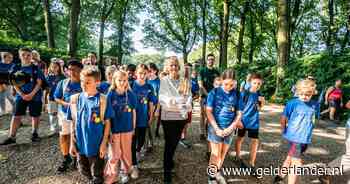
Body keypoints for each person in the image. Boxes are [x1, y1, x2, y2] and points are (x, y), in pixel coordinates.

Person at [68, 66, 112, 184]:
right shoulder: (74, 99)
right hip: (80, 144)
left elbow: (107, 123)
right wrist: (72, 143)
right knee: (83, 169)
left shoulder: (103, 100)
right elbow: (72, 122)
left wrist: (104, 144)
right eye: (82, 81)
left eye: (88, 82)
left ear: (97, 82)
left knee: (97, 174)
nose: (84, 84)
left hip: (97, 145)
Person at [274, 79, 320, 184]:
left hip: (305, 138)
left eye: (307, 94)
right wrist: (283, 129)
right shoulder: (292, 103)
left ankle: (280, 176)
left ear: (312, 93)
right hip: (295, 137)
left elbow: (313, 119)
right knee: (297, 163)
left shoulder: (315, 105)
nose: (304, 96)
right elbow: (284, 118)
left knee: (290, 156)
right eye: (301, 94)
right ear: (298, 92)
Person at [0, 48, 45, 145]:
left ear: (31, 56)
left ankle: (34, 133)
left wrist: (31, 94)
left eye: (28, 55)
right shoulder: (16, 68)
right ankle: (12, 137)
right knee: (16, 115)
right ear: (20, 56)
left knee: (35, 115)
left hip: (35, 96)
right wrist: (22, 95)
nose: (26, 57)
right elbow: (14, 83)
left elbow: (39, 83)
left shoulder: (35, 68)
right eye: (23, 54)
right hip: (21, 96)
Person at [206, 69, 243, 184]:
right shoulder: (214, 92)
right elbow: (208, 111)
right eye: (226, 84)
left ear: (235, 82)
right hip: (215, 127)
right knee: (215, 153)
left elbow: (239, 114)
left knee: (223, 153)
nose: (228, 87)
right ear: (221, 80)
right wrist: (216, 128)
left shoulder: (237, 93)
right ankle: (211, 177)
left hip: (230, 129)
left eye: (231, 84)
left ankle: (217, 172)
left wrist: (231, 127)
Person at [159, 56, 192, 184]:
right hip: (168, 117)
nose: (173, 67)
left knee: (175, 141)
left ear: (179, 67)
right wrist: (176, 101)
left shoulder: (185, 81)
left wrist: (186, 104)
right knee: (169, 143)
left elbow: (188, 97)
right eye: (171, 65)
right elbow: (162, 98)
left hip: (181, 117)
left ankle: (170, 160)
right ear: (167, 67)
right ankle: (167, 171)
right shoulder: (164, 81)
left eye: (175, 65)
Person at [104, 71, 137, 184]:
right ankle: (111, 175)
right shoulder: (110, 94)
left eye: (124, 80)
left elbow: (133, 112)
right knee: (114, 154)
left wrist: (133, 127)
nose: (122, 83)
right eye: (119, 80)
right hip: (115, 129)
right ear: (114, 80)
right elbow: (107, 115)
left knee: (126, 152)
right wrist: (108, 132)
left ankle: (125, 171)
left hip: (127, 128)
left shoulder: (130, 94)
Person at [54, 59, 83, 173]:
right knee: (64, 135)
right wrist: (66, 103)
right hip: (64, 114)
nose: (72, 72)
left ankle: (77, 157)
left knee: (77, 136)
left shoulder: (84, 83)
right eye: (70, 69)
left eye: (75, 70)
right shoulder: (63, 83)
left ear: (81, 71)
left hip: (79, 116)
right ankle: (66, 158)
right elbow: (56, 97)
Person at [130, 64, 156, 179]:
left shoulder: (149, 86)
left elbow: (151, 102)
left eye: (144, 73)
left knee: (141, 141)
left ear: (147, 74)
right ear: (136, 73)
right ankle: (134, 165)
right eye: (140, 73)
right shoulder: (131, 85)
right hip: (131, 120)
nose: (142, 75)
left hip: (143, 119)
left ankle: (137, 152)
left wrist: (151, 116)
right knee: (132, 141)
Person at [235, 73, 265, 170]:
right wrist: (238, 120)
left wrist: (261, 104)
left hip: (254, 122)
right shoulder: (244, 93)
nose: (257, 85)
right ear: (250, 82)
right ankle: (238, 156)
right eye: (255, 83)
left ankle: (252, 162)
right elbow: (239, 107)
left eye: (259, 84)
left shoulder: (259, 95)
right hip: (243, 120)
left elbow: (259, 108)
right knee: (240, 138)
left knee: (255, 141)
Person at [198, 53, 220, 160]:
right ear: (206, 60)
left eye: (212, 59)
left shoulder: (216, 72)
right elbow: (200, 85)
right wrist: (208, 95)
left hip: (215, 98)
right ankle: (202, 132)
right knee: (203, 116)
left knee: (211, 117)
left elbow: (219, 84)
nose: (211, 61)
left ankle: (210, 135)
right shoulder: (202, 71)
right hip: (204, 96)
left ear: (214, 61)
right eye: (209, 59)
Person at [46, 61, 65, 132]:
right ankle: (54, 128)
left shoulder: (63, 77)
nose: (54, 68)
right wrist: (45, 99)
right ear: (50, 67)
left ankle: (63, 127)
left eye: (55, 66)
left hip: (61, 98)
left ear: (59, 67)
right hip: (51, 98)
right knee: (53, 113)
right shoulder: (48, 77)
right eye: (52, 66)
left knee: (61, 113)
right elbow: (47, 89)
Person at [147, 63, 161, 148]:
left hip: (155, 106)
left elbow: (160, 97)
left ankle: (151, 144)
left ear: (155, 71)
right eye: (147, 71)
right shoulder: (146, 80)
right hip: (146, 106)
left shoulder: (159, 82)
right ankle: (146, 143)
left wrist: (157, 109)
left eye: (150, 71)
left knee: (152, 126)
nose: (148, 73)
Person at [0, 52, 15, 116]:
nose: (11, 59)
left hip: (8, 84)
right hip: (0, 84)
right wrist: (2, 84)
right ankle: (3, 111)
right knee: (1, 97)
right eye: (9, 57)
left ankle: (16, 109)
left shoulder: (12, 65)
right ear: (4, 57)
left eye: (11, 57)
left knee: (9, 96)